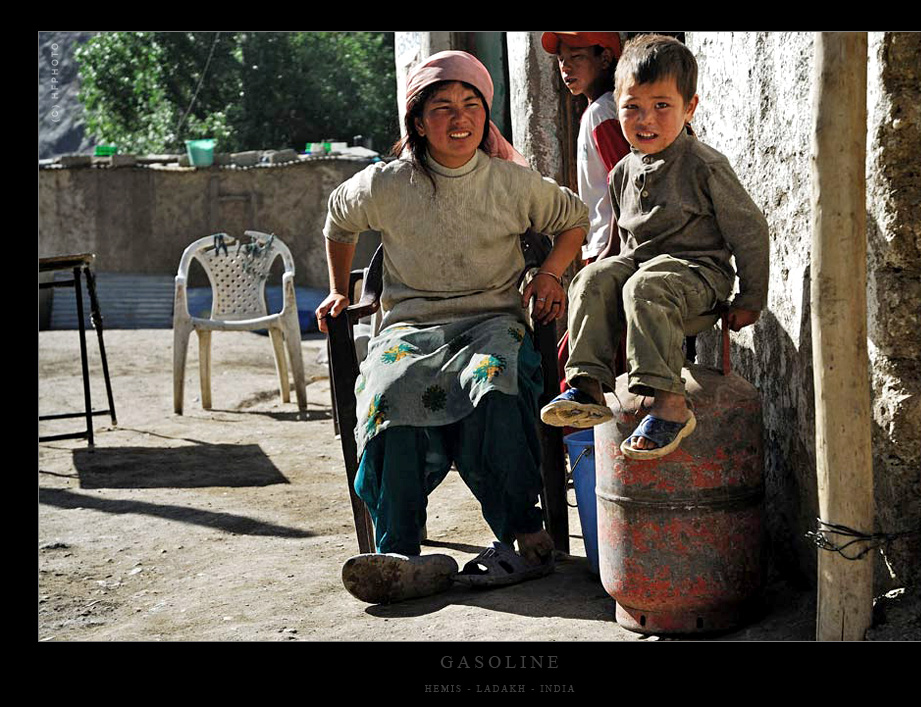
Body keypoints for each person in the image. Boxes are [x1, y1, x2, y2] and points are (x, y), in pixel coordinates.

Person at [316, 50, 589, 604]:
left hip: (492, 322)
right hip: (410, 328)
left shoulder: (511, 183)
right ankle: (399, 553)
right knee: (390, 394)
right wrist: (341, 290)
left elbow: (574, 218)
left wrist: (552, 274)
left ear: (486, 118)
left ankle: (523, 537)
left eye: (471, 105)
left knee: (494, 383)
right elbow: (337, 219)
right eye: (442, 108)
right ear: (418, 121)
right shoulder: (387, 184)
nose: (459, 118)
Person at [540, 34, 769, 459]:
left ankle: (670, 404)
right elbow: (628, 245)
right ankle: (587, 386)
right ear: (618, 105)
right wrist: (609, 287)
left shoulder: (704, 165)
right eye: (632, 107)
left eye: (662, 106)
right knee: (592, 276)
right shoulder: (622, 173)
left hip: (700, 277)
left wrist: (751, 297)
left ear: (690, 108)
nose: (646, 119)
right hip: (645, 273)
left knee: (644, 286)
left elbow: (750, 229)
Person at [541, 32, 629, 263]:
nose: (566, 67)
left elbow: (624, 181)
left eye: (577, 56)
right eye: (561, 59)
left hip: (612, 248)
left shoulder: (602, 112)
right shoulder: (601, 109)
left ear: (605, 58)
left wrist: (611, 249)